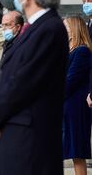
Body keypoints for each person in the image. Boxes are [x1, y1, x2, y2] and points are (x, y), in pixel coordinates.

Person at [0, 0, 69, 175]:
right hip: (21, 137)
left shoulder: (49, 28)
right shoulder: (38, 28)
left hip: (30, 143)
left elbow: (23, 80)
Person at [62, 16, 92, 175]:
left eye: (65, 27)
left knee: (77, 152)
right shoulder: (68, 51)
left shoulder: (82, 51)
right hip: (66, 105)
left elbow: (70, 80)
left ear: (74, 29)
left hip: (75, 108)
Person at [0, 11, 24, 90]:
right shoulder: (8, 44)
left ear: (18, 27)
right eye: (2, 25)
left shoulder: (20, 45)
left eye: (7, 25)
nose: (3, 28)